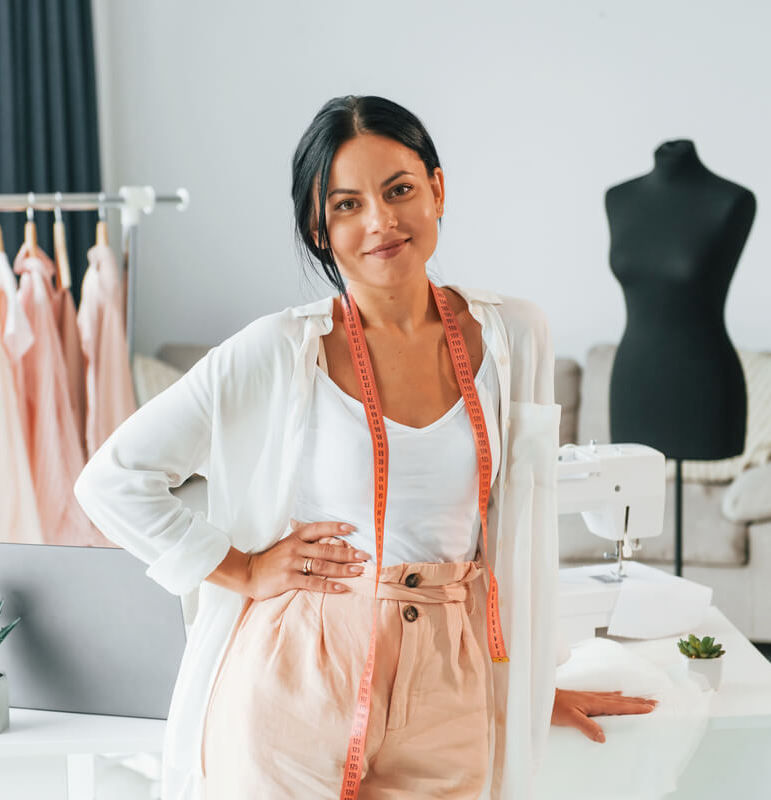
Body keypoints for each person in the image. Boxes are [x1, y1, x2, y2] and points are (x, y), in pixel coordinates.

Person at [74, 95, 657, 800]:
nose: (380, 221)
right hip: (297, 678)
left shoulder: (515, 336)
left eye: (399, 190)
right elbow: (112, 480)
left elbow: (512, 533)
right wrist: (242, 569)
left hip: (448, 686)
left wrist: (529, 687)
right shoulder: (279, 349)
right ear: (317, 228)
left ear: (437, 189)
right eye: (346, 205)